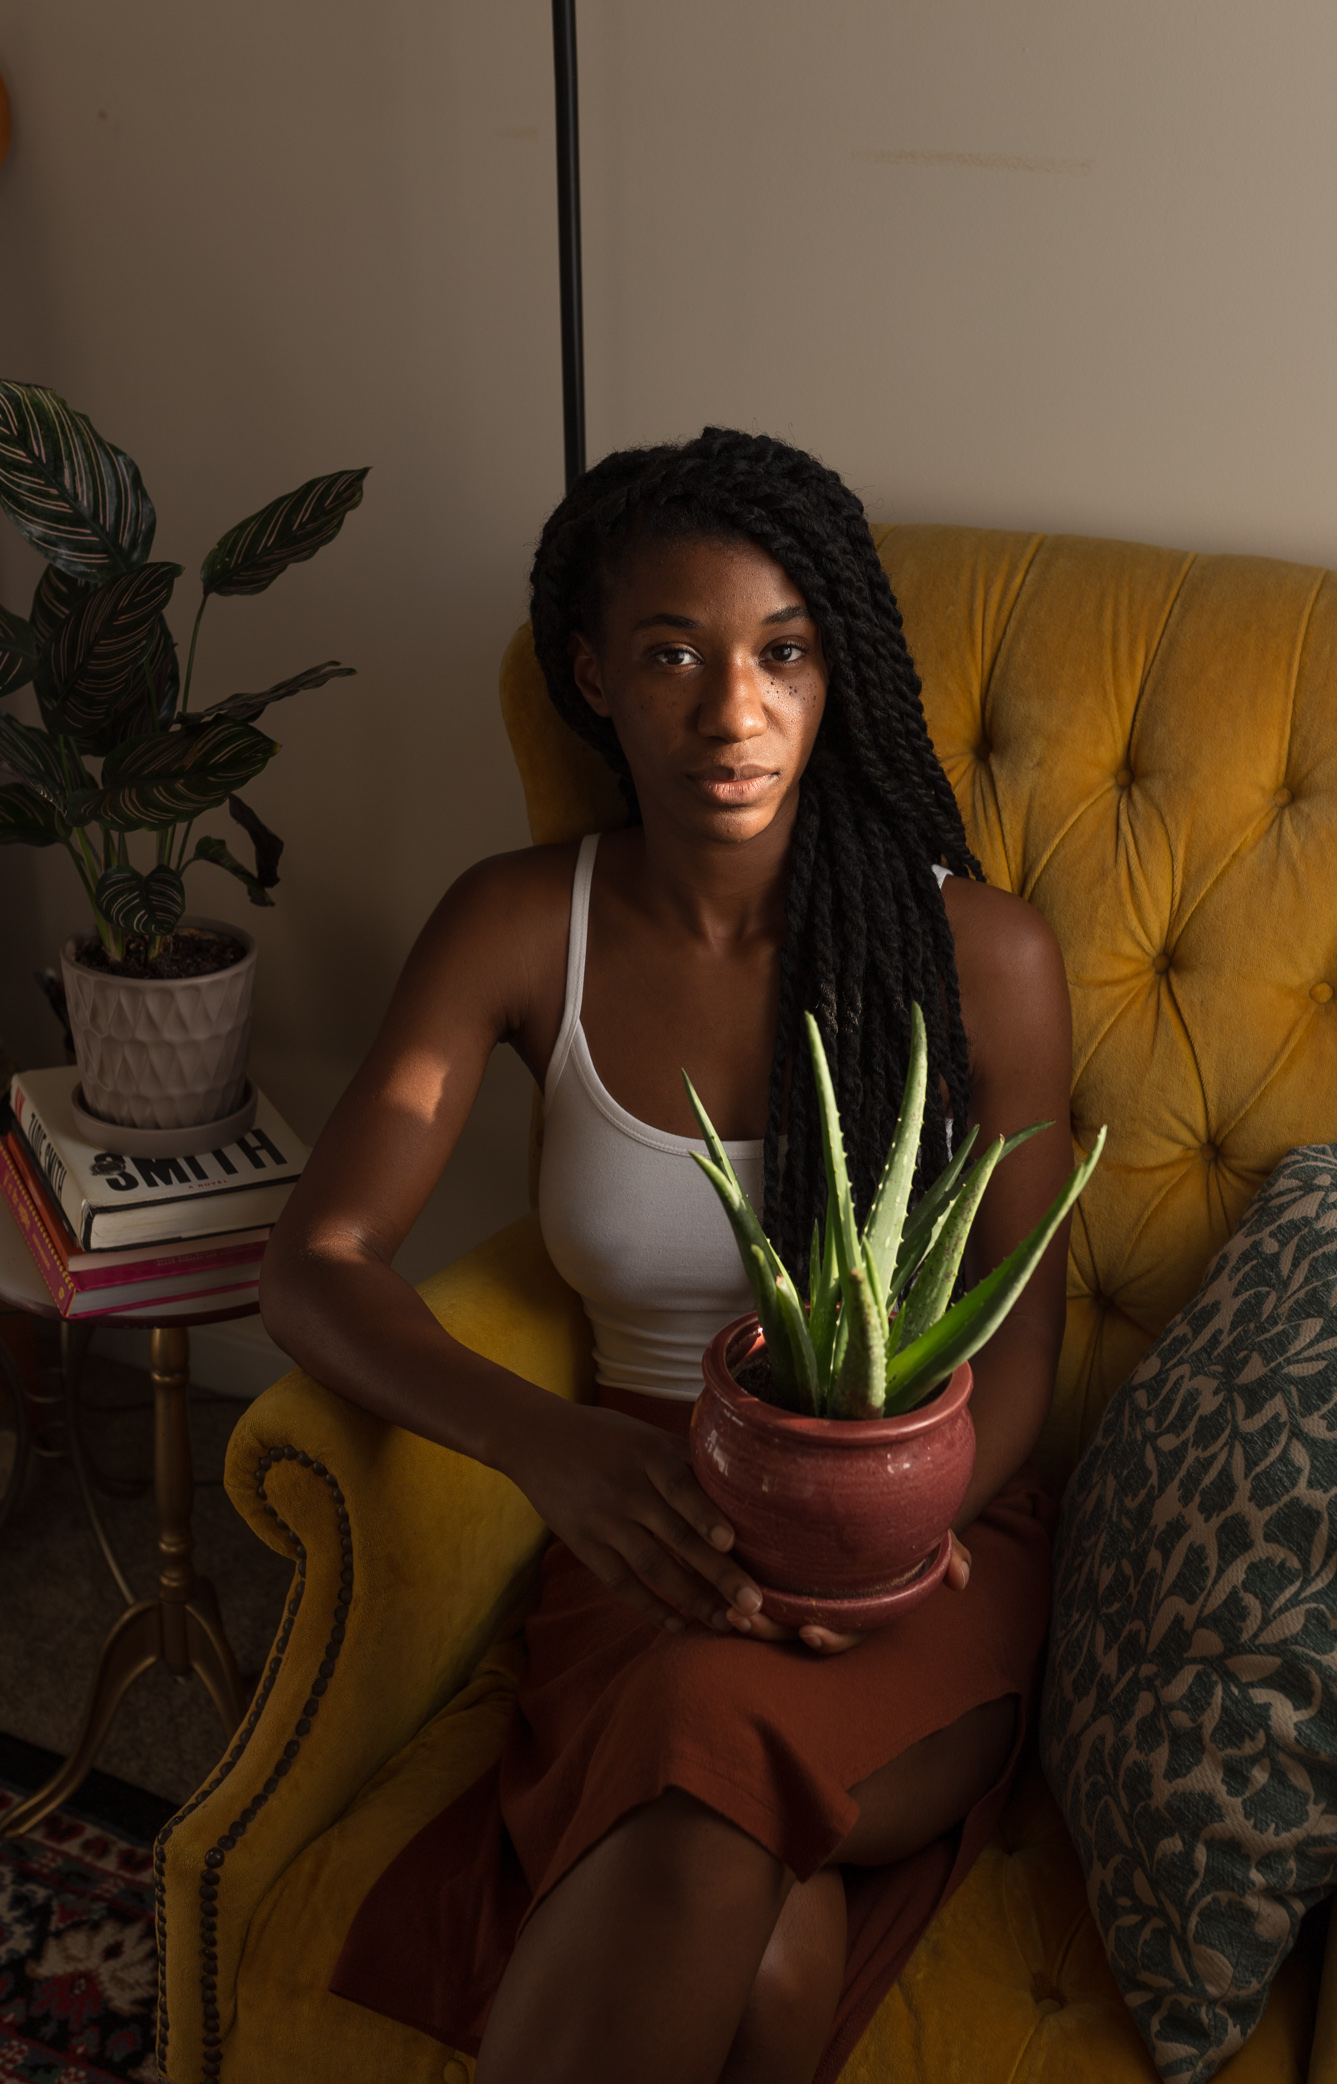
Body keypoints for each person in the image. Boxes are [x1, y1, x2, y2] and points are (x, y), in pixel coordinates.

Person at [259, 428, 1075, 2084]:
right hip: (651, 1531)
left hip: (926, 1542)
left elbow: (1025, 1339)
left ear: (834, 672)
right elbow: (314, 1263)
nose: (731, 713)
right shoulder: (513, 924)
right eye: (671, 654)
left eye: (782, 653)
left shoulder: (980, 957)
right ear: (592, 676)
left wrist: (881, 1544)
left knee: (707, 1739)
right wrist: (549, 1447)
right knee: (767, 1955)